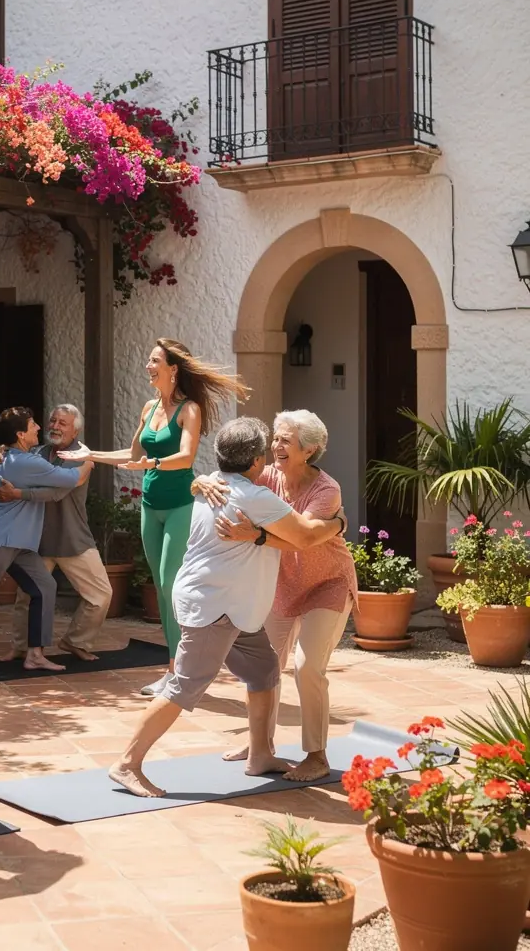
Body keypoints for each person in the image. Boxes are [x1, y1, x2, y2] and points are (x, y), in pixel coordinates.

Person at [108, 417, 347, 798]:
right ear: (255, 461)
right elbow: (303, 536)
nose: (273, 452)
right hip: (214, 607)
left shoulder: (214, 484)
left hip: (232, 605)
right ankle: (127, 763)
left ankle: (262, 754)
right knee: (184, 687)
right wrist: (339, 524)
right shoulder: (255, 496)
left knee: (265, 670)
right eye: (268, 447)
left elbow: (208, 486)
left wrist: (201, 481)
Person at [60, 339, 248, 695]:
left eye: (154, 360)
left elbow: (186, 456)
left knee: (168, 585)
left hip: (180, 504)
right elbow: (131, 454)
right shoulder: (149, 408)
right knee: (162, 590)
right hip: (151, 505)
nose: (148, 365)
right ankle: (174, 670)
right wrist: (89, 455)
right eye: (148, 360)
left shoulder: (189, 409)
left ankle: (182, 671)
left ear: (173, 369)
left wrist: (154, 463)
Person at [192, 410, 358, 782]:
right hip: (283, 584)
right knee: (263, 666)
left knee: (307, 667)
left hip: (327, 583)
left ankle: (316, 756)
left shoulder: (326, 489)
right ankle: (260, 746)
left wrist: (257, 536)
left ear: (310, 449)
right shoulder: (266, 476)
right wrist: (201, 482)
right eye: (276, 438)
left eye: (285, 440)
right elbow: (218, 477)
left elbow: (308, 538)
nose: (275, 446)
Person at [0, 406, 91, 672]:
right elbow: (72, 478)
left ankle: (35, 655)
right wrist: (89, 461)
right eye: (33, 424)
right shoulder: (25, 462)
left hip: (19, 544)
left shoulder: (17, 456)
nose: (39, 427)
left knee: (45, 586)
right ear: (22, 434)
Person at [0, 403, 113, 661]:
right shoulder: (37, 451)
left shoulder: (82, 456)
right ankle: (21, 646)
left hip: (73, 538)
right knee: (26, 597)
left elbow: (57, 492)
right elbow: (15, 455)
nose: (55, 427)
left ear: (75, 430)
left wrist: (17, 494)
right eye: (53, 421)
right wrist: (3, 449)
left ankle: (76, 641)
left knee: (100, 595)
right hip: (38, 540)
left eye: (63, 423)